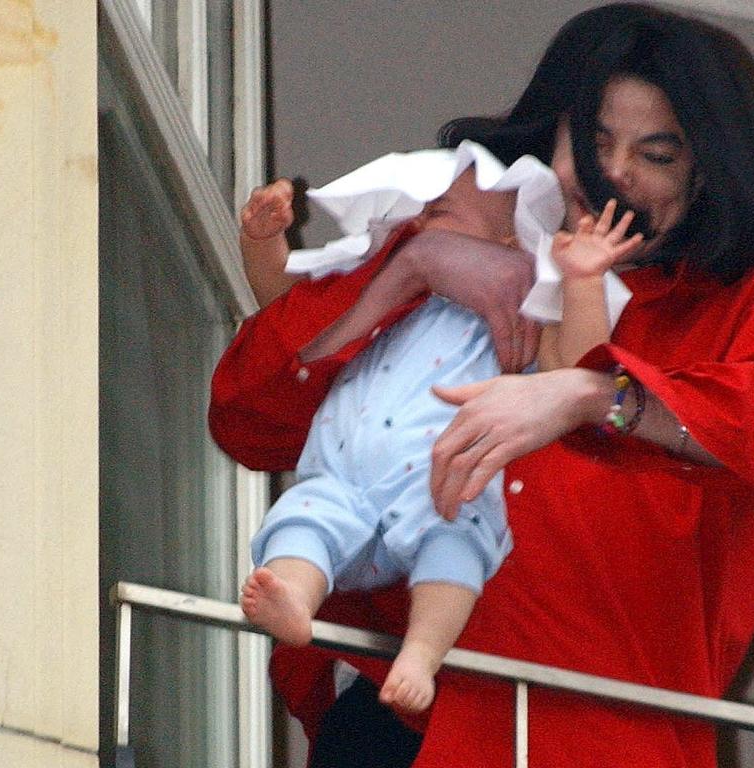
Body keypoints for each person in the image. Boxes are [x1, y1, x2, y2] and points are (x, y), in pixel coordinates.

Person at [209, 3, 754, 766]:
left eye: (655, 155)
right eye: (593, 141)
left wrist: (594, 397)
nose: (612, 173)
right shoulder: (461, 240)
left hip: (596, 745)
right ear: (549, 138)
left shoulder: (753, 304)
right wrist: (414, 270)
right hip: (406, 731)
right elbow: (247, 417)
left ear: (706, 173)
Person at [239, 140, 643, 715]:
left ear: (509, 240)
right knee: (302, 519)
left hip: (445, 481)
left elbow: (573, 368)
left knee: (457, 542)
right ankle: (295, 604)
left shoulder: (525, 304)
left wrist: (579, 279)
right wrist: (262, 242)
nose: (419, 223)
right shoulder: (384, 291)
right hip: (340, 478)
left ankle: (422, 655)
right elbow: (285, 312)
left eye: (439, 211)